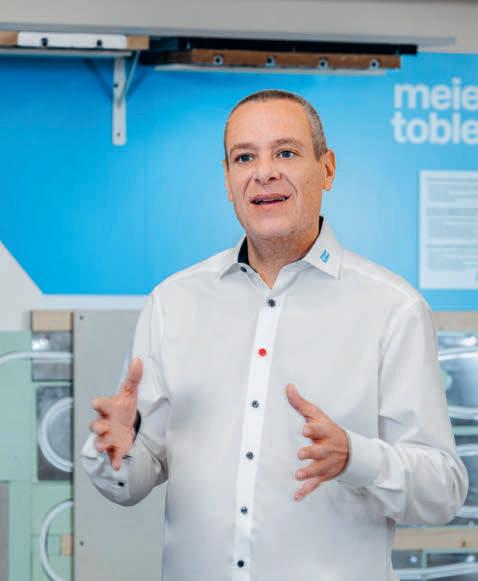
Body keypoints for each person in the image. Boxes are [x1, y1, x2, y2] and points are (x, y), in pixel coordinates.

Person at [81, 89, 468, 581]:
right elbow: (137, 475)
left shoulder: (393, 309)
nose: (264, 172)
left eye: (285, 152)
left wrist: (356, 458)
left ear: (327, 169)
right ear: (227, 180)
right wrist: (116, 451)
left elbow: (443, 490)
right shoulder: (172, 303)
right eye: (245, 157)